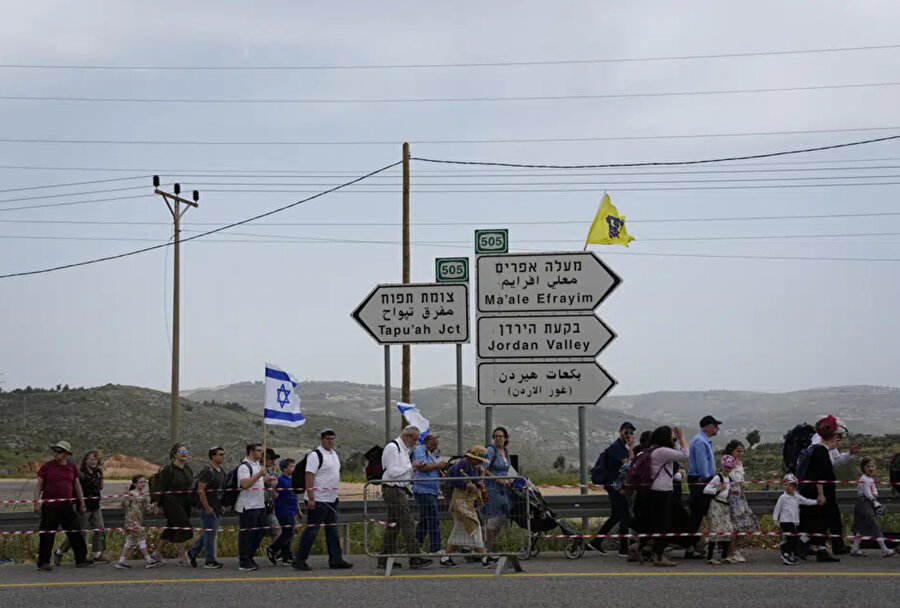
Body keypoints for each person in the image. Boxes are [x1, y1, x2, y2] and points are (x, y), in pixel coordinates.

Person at [292, 429, 353, 571]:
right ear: (322, 439)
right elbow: (309, 476)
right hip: (318, 499)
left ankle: (336, 559)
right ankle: (300, 559)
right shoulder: (315, 455)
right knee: (312, 530)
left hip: (331, 499)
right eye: (327, 439)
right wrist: (311, 498)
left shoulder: (334, 454)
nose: (330, 441)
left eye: (332, 438)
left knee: (332, 530)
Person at [378, 425, 432, 570]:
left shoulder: (404, 449)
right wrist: (410, 466)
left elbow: (401, 471)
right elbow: (393, 471)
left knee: (394, 525)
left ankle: (384, 558)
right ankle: (414, 558)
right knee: (407, 522)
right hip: (393, 489)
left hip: (399, 489)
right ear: (407, 436)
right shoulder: (393, 448)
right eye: (414, 439)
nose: (415, 443)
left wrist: (413, 469)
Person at [34, 441, 93, 571]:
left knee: (75, 531)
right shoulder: (48, 466)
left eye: (59, 451)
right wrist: (36, 502)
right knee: (47, 534)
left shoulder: (72, 468)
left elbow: (77, 485)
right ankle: (43, 562)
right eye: (55, 451)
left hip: (67, 505)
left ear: (66, 454)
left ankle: (81, 559)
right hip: (50, 506)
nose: (56, 453)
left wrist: (82, 502)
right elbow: (39, 484)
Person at [638, 425, 688, 567]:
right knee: (663, 525)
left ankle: (640, 548)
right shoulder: (662, 451)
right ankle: (658, 557)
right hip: (661, 492)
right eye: (671, 436)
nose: (673, 438)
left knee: (657, 524)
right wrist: (682, 438)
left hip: (654, 491)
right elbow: (685, 455)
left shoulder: (653, 449)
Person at [812, 421, 859, 555]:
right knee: (823, 516)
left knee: (834, 516)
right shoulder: (818, 442)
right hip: (821, 485)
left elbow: (837, 461)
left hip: (828, 482)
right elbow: (818, 463)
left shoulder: (830, 444)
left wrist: (849, 453)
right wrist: (830, 448)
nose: (839, 439)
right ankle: (817, 547)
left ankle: (837, 545)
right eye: (838, 435)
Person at [445, 445, 496, 568]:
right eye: (479, 460)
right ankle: (484, 558)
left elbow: (478, 485)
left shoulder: (472, 467)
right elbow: (456, 481)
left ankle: (445, 557)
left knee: (458, 531)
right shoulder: (462, 464)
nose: (480, 463)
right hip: (460, 501)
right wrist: (467, 486)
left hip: (467, 501)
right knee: (475, 526)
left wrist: (481, 475)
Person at [799, 415, 841, 563]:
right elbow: (820, 475)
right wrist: (821, 494)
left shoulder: (819, 449)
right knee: (818, 523)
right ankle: (800, 544)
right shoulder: (821, 452)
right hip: (820, 492)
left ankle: (820, 550)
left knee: (820, 523)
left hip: (813, 491)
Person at [590, 422, 636, 555]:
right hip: (615, 487)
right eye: (626, 432)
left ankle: (596, 542)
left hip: (615, 485)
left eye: (631, 433)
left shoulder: (621, 447)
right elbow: (630, 465)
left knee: (616, 516)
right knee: (624, 516)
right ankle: (623, 548)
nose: (629, 435)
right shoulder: (617, 447)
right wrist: (632, 447)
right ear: (620, 432)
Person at [55, 449, 106, 565]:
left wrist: (101, 475)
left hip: (95, 506)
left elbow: (100, 487)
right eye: (91, 459)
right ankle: (60, 552)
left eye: (95, 459)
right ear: (86, 460)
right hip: (83, 506)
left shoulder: (97, 472)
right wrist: (80, 504)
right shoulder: (80, 473)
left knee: (99, 528)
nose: (93, 461)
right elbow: (76, 489)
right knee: (79, 532)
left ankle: (97, 554)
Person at [150, 443, 194, 566]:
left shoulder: (187, 469)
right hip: (171, 502)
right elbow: (160, 487)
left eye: (186, 451)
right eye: (181, 451)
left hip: (185, 502)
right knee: (183, 526)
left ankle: (157, 553)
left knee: (171, 527)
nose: (184, 454)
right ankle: (183, 556)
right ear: (175, 454)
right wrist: (156, 504)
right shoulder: (168, 470)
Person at [412, 432, 450, 565]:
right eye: (434, 444)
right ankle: (436, 547)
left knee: (425, 519)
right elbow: (424, 467)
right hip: (423, 489)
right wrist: (438, 465)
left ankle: (416, 546)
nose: (435, 447)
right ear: (427, 442)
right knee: (433, 517)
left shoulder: (432, 455)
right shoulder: (420, 450)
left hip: (432, 490)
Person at [235, 442, 275, 571]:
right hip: (248, 505)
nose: (261, 453)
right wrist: (259, 475)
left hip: (259, 504)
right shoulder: (244, 467)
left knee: (261, 531)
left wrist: (268, 479)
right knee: (247, 534)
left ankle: (250, 556)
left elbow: (258, 482)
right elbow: (245, 484)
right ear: (251, 452)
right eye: (258, 450)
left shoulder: (257, 465)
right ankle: (244, 560)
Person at [187, 446, 227, 569]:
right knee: (210, 534)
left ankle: (192, 552)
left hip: (217, 506)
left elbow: (220, 491)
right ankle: (210, 560)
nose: (223, 457)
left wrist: (222, 505)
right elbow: (201, 490)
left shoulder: (221, 471)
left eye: (223, 454)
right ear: (213, 457)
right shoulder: (207, 471)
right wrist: (207, 506)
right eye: (220, 454)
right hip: (208, 507)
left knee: (210, 532)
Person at [850, 457, 895, 557]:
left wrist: (874, 495)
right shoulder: (863, 479)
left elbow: (875, 492)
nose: (870, 468)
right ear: (863, 468)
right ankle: (884, 549)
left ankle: (854, 549)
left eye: (872, 466)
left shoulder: (871, 479)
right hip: (864, 504)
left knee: (861, 527)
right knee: (874, 525)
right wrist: (875, 501)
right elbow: (868, 494)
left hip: (868, 503)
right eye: (868, 466)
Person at [723, 440, 758, 562]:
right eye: (738, 451)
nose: (740, 453)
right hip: (733, 497)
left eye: (742, 451)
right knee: (735, 526)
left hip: (740, 496)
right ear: (732, 451)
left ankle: (736, 549)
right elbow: (734, 478)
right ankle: (731, 553)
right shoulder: (730, 462)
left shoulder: (739, 462)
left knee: (744, 524)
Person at [116, 475, 161, 569]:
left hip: (139, 521)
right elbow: (124, 504)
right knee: (142, 539)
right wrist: (125, 495)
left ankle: (121, 561)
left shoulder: (144, 495)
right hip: (131, 521)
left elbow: (147, 508)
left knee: (129, 541)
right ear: (134, 483)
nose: (143, 484)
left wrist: (154, 506)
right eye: (141, 482)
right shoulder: (131, 494)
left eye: (144, 482)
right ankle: (149, 560)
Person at [773, 473, 818, 565]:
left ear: (795, 487)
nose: (788, 487)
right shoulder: (783, 497)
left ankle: (788, 553)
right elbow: (777, 508)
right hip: (785, 521)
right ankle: (784, 550)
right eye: (786, 485)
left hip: (794, 522)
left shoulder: (797, 497)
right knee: (791, 539)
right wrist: (775, 519)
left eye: (790, 485)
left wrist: (817, 502)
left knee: (794, 539)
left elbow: (806, 501)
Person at [688, 415, 720, 537]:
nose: (717, 428)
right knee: (697, 514)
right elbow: (702, 467)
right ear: (708, 427)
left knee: (699, 514)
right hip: (700, 481)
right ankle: (689, 545)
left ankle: (692, 544)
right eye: (715, 426)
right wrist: (710, 480)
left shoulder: (704, 441)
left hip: (703, 480)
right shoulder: (700, 442)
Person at [703, 455, 738, 565]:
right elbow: (706, 490)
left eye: (729, 467)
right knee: (715, 530)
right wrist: (718, 489)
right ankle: (710, 557)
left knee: (728, 529)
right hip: (716, 504)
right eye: (726, 467)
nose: (727, 469)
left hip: (725, 505)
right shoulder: (718, 477)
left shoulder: (729, 478)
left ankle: (724, 556)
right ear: (722, 466)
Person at [483, 426, 512, 552]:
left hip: (504, 489)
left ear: (505, 438)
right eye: (496, 436)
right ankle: (488, 549)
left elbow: (506, 469)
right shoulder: (490, 450)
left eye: (501, 436)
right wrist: (497, 478)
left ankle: (487, 545)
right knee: (493, 518)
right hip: (492, 488)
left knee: (502, 517)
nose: (498, 438)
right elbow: (484, 468)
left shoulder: (505, 450)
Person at [268, 458, 299, 565]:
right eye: (291, 466)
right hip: (283, 510)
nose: (294, 468)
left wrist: (298, 511)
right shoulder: (281, 480)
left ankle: (287, 556)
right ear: (284, 469)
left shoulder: (292, 480)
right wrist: (273, 488)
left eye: (294, 465)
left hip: (291, 510)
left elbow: (295, 496)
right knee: (289, 532)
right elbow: (275, 496)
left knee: (289, 533)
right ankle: (273, 548)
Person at [264, 448, 282, 541]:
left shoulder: (268, 470)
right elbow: (271, 481)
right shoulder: (261, 470)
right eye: (272, 459)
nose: (273, 461)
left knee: (276, 529)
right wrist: (274, 472)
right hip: (261, 506)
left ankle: (275, 550)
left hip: (269, 507)